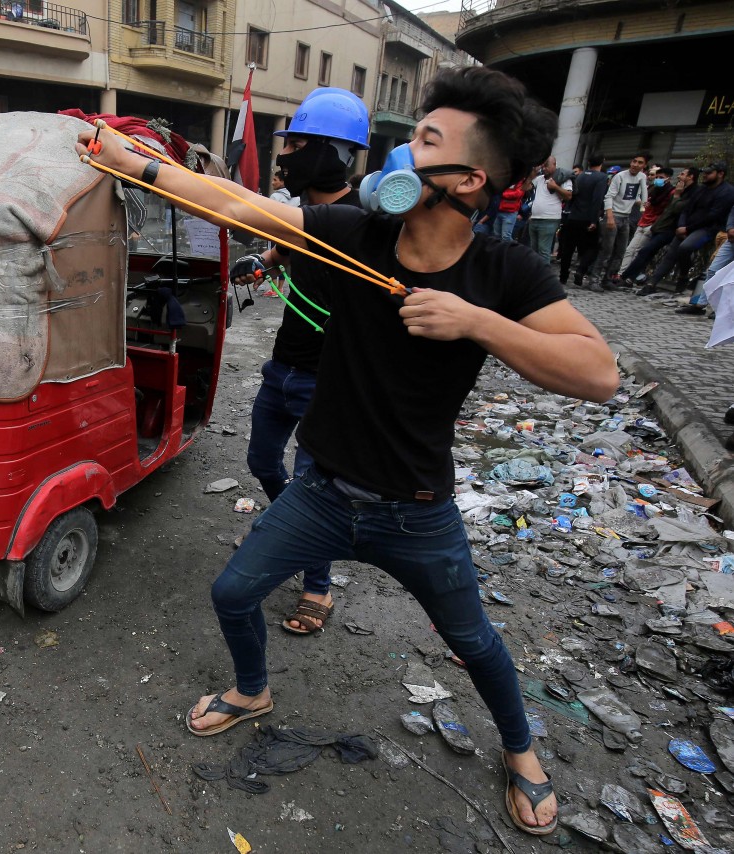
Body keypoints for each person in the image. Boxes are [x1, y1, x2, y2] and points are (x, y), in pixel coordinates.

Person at [78, 65, 618, 837]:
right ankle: (252, 690)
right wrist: (137, 166)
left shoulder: (506, 272)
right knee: (233, 593)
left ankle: (522, 748)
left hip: (417, 510)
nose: (396, 159)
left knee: (473, 642)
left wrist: (478, 323)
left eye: (424, 141)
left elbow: (599, 373)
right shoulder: (355, 233)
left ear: (468, 179)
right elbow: (240, 204)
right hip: (322, 491)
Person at [229, 87, 369, 635]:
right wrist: (262, 259)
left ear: (335, 154)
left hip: (328, 381)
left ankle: (317, 586)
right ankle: (292, 526)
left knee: (315, 487)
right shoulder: (304, 214)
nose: (285, 156)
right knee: (263, 462)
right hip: (282, 367)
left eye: (300, 144)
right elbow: (290, 240)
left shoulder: (365, 221)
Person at [636, 162, 734, 296]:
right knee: (672, 252)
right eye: (704, 173)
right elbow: (686, 209)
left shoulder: (727, 192)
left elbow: (713, 216)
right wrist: (682, 225)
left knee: (685, 247)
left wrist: (687, 229)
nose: (704, 175)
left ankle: (683, 275)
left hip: (707, 229)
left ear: (721, 174)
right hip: (687, 226)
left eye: (709, 173)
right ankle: (652, 283)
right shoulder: (701, 189)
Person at [620, 168, 698, 286]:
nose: (679, 177)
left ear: (691, 177)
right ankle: (629, 277)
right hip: (658, 226)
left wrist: (677, 195)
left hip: (669, 228)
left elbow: (676, 209)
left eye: (682, 174)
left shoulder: (687, 192)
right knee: (644, 252)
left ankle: (626, 276)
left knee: (645, 251)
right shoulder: (674, 189)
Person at [592, 152, 648, 288]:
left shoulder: (642, 177)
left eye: (640, 162)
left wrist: (641, 203)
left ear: (644, 165)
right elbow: (609, 196)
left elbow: (631, 196)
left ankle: (608, 279)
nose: (636, 165)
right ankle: (594, 280)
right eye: (634, 161)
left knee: (620, 251)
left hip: (626, 217)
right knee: (606, 250)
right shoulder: (620, 176)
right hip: (614, 215)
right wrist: (610, 217)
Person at [558, 154, 608, 287]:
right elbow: (597, 199)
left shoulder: (579, 176)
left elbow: (573, 195)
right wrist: (593, 220)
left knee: (568, 248)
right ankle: (580, 270)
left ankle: (563, 276)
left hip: (573, 216)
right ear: (602, 162)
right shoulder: (602, 178)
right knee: (593, 247)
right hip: (587, 218)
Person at [677, 202, 734, 315]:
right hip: (731, 240)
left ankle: (723, 310)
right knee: (713, 270)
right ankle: (701, 305)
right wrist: (730, 228)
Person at [618, 166, 674, 278]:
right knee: (630, 249)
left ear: (668, 178)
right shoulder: (652, 189)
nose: (657, 179)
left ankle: (627, 275)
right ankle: (621, 273)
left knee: (638, 250)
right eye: (656, 176)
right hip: (643, 221)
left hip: (653, 223)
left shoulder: (671, 192)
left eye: (661, 177)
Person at [527, 156, 571, 260]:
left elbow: (569, 196)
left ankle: (542, 275)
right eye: (543, 166)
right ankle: (534, 273)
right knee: (533, 250)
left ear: (554, 164)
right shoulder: (539, 179)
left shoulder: (562, 178)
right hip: (534, 219)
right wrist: (533, 173)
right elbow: (525, 187)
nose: (544, 168)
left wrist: (555, 187)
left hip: (549, 219)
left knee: (543, 251)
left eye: (546, 166)